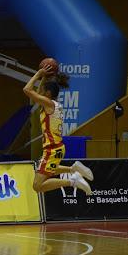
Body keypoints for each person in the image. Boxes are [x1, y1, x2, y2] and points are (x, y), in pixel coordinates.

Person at [23, 65, 93, 195]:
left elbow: (27, 89)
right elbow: (37, 94)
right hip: (56, 147)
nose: (41, 93)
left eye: (43, 91)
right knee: (46, 169)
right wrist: (44, 78)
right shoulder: (54, 105)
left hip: (52, 149)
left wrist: (39, 73)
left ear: (48, 93)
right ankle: (73, 169)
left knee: (37, 186)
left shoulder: (49, 104)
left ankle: (72, 181)